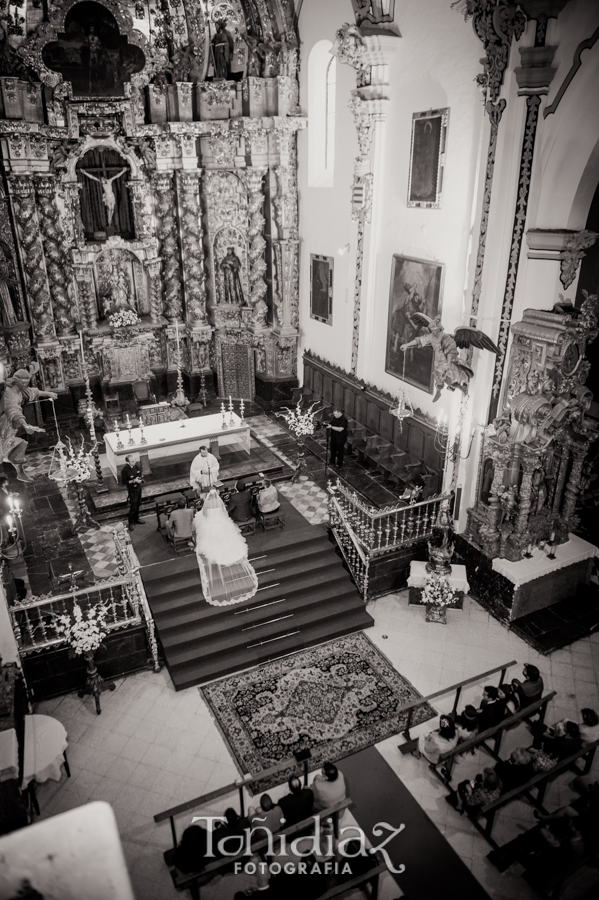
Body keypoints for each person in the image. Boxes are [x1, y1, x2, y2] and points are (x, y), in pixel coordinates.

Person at [194, 488, 257, 606]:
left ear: (208, 497)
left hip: (211, 524)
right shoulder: (220, 502)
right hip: (220, 522)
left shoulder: (207, 504)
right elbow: (224, 512)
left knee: (202, 524)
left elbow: (205, 514)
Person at [0, 364, 57, 483]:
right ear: (16, 381)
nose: (26, 385)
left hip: (10, 427)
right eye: (23, 383)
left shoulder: (20, 391)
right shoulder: (8, 394)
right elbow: (13, 411)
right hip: (3, 425)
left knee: (18, 446)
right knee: (14, 446)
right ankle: (16, 471)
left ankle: (20, 472)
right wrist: (25, 425)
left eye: (27, 382)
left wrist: (48, 394)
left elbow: (31, 392)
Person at [121, 455, 144, 531]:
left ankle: (136, 518)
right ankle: (131, 522)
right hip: (132, 490)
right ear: (128, 462)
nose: (135, 462)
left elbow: (140, 474)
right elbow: (124, 482)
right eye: (132, 461)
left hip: (138, 488)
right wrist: (134, 481)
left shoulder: (136, 467)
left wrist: (140, 478)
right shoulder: (124, 470)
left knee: (138, 504)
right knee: (133, 507)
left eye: (134, 460)